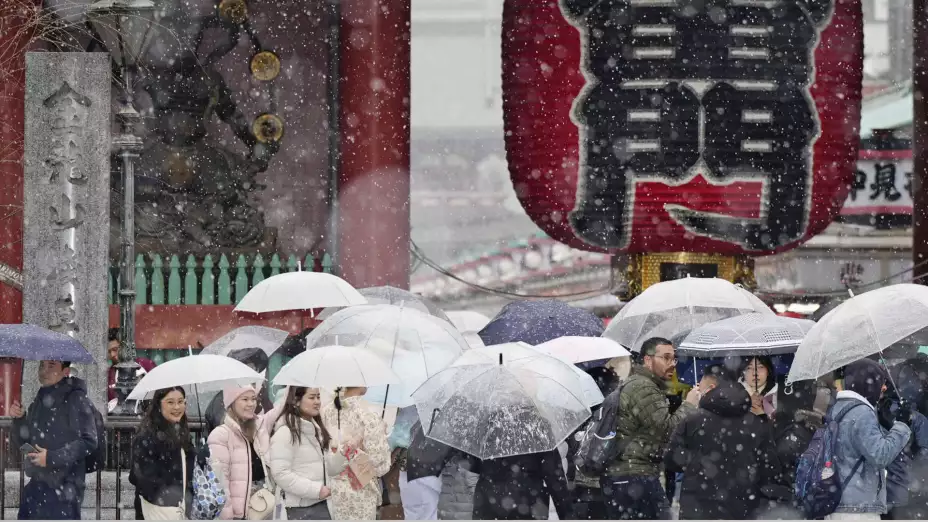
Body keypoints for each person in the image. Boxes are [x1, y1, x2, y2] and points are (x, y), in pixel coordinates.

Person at [665, 364, 779, 519]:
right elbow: (770, 470)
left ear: (710, 388)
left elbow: (671, 460)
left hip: (698, 508)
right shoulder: (757, 424)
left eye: (700, 386)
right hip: (743, 508)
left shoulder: (693, 421)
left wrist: (697, 462)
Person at [602, 337, 699, 520]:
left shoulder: (643, 384)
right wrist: (689, 405)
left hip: (630, 476)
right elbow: (667, 430)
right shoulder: (643, 387)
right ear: (648, 360)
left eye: (674, 359)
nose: (672, 364)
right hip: (634, 477)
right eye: (666, 358)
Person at [11, 360, 98, 520]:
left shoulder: (76, 398)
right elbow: (25, 443)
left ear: (65, 371)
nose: (44, 371)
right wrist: (19, 419)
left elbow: (89, 441)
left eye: (51, 366)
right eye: (41, 365)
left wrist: (51, 458)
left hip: (65, 490)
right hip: (36, 486)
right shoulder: (40, 398)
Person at [828, 359, 911, 520]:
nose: (885, 387)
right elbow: (880, 456)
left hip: (839, 501)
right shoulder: (861, 413)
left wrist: (885, 425)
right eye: (881, 381)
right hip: (858, 508)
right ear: (868, 383)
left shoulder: (839, 408)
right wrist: (901, 426)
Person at [268, 386, 347, 520]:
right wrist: (316, 490)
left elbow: (330, 470)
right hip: (299, 509)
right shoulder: (286, 433)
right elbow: (280, 474)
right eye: (311, 397)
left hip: (323, 505)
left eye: (318, 397)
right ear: (297, 401)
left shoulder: (317, 430)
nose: (317, 401)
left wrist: (344, 453)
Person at [320, 386, 392, 520]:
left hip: (335, 486)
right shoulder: (367, 413)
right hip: (361, 485)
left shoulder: (327, 411)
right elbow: (378, 461)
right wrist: (381, 433)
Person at [129, 386, 196, 520]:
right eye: (170, 402)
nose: (177, 407)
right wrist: (170, 496)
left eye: (181, 401)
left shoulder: (182, 433)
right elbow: (139, 477)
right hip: (159, 510)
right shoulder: (147, 435)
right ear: (159, 405)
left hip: (180, 510)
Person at [208, 384, 272, 520]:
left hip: (263, 507)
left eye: (253, 399)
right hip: (238, 515)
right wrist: (228, 516)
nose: (251, 404)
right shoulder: (220, 435)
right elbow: (220, 482)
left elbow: (280, 410)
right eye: (245, 399)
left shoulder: (260, 428)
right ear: (232, 403)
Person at [205, 348, 274, 435]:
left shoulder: (261, 395)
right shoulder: (222, 400)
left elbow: (271, 422)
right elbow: (227, 432)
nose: (253, 374)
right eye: (247, 370)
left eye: (254, 369)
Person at [107, 328, 156, 402]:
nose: (112, 355)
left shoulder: (146, 365)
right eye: (108, 352)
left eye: (115, 349)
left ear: (124, 346)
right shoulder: (109, 375)